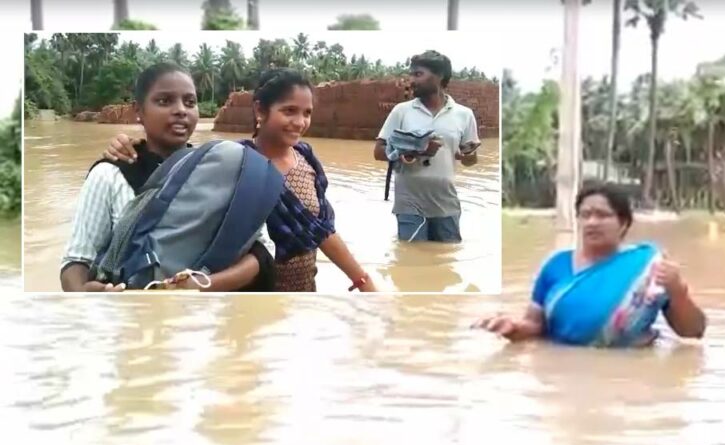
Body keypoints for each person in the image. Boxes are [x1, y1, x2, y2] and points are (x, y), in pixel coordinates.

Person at [101, 69, 377, 293]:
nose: (300, 122)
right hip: (252, 296)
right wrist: (129, 146)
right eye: (289, 110)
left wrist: (362, 280)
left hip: (305, 292)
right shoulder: (237, 164)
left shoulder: (306, 157)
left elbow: (323, 230)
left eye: (306, 113)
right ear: (260, 110)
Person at [61, 62, 276, 292]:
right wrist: (84, 297)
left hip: (209, 316)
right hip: (131, 316)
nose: (181, 110)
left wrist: (200, 287)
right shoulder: (110, 175)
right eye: (164, 101)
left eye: (190, 102)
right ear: (139, 111)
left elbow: (262, 250)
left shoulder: (224, 170)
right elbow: (76, 262)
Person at [474, 183, 707, 347]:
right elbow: (535, 326)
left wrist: (678, 291)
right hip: (567, 371)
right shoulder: (556, 266)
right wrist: (512, 327)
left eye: (602, 215)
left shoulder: (648, 267)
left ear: (624, 223)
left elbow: (693, 332)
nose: (592, 222)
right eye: (585, 215)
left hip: (631, 377)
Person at [373, 50, 481, 244]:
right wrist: (417, 151)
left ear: (439, 77)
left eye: (418, 74)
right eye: (412, 74)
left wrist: (468, 155)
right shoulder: (402, 111)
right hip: (409, 205)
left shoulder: (464, 115)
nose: (412, 80)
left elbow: (470, 162)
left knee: (446, 264)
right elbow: (378, 151)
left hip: (446, 204)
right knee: (412, 262)